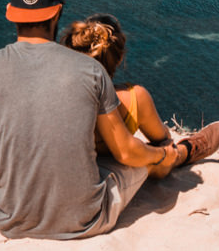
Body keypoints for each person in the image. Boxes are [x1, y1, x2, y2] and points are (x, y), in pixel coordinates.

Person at [0, 0, 219, 239]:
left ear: (10, 13)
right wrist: (161, 156)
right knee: (149, 153)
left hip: (11, 220)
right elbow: (126, 152)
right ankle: (178, 154)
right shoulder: (90, 71)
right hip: (87, 220)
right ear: (57, 12)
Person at [61, 13, 184, 178]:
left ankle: (185, 151)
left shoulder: (57, 97)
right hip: (104, 180)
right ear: (118, 59)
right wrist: (163, 153)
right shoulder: (136, 97)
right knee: (164, 158)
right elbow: (163, 139)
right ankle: (185, 152)